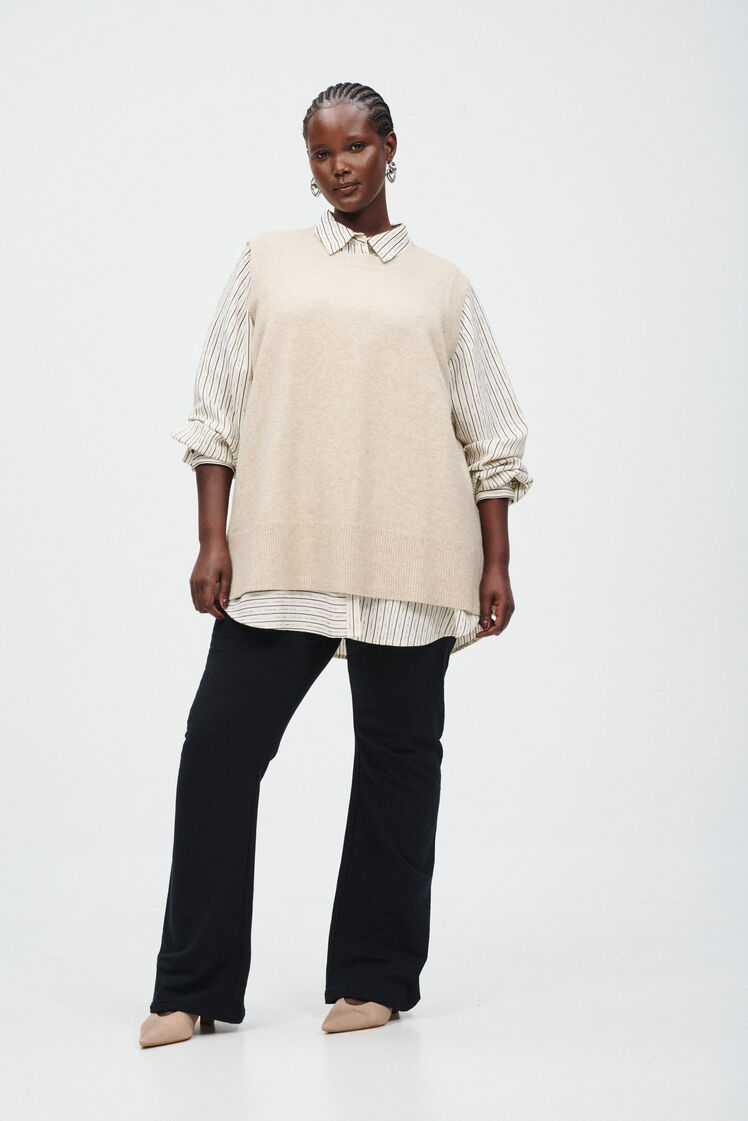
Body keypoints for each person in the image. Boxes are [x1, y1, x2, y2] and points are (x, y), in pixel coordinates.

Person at [139, 81, 533, 1048]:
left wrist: (497, 560)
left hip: (413, 555)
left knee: (399, 767)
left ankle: (374, 978)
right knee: (219, 753)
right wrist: (213, 537)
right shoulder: (268, 262)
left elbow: (490, 434)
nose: (338, 167)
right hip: (287, 547)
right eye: (321, 152)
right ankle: (190, 987)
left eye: (355, 146)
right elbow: (216, 409)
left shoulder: (442, 286)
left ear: (391, 147)